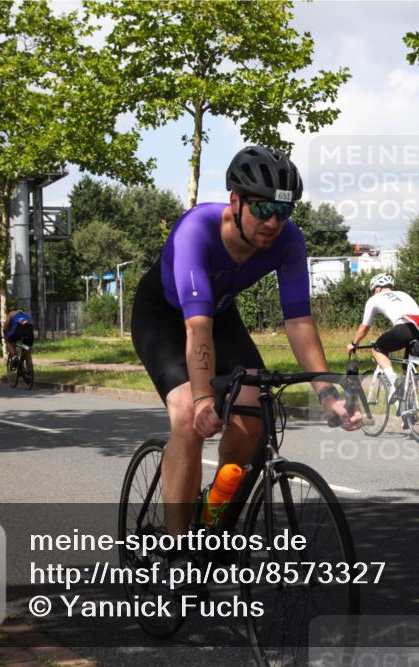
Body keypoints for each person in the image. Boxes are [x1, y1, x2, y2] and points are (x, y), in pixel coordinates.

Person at [132, 145, 361, 539]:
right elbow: (196, 328)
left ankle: (215, 517)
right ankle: (177, 550)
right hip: (165, 319)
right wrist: (205, 398)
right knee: (188, 416)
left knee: (255, 411)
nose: (273, 222)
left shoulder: (289, 240)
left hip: (219, 315)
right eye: (262, 209)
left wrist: (326, 392)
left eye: (283, 211)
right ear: (234, 201)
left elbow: (299, 320)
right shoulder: (196, 230)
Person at [346, 273, 419, 398]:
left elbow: (364, 328)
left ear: (377, 288)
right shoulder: (404, 294)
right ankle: (412, 409)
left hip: (404, 328)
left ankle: (393, 381)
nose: (374, 293)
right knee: (409, 371)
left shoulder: (374, 299)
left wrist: (354, 343)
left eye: (374, 290)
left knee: (377, 348)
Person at [3, 308, 35, 373]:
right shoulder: (25, 315)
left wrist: (5, 335)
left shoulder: (11, 313)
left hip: (18, 330)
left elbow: (5, 327)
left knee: (8, 341)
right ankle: (30, 372)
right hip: (29, 332)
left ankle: (14, 356)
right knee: (26, 349)